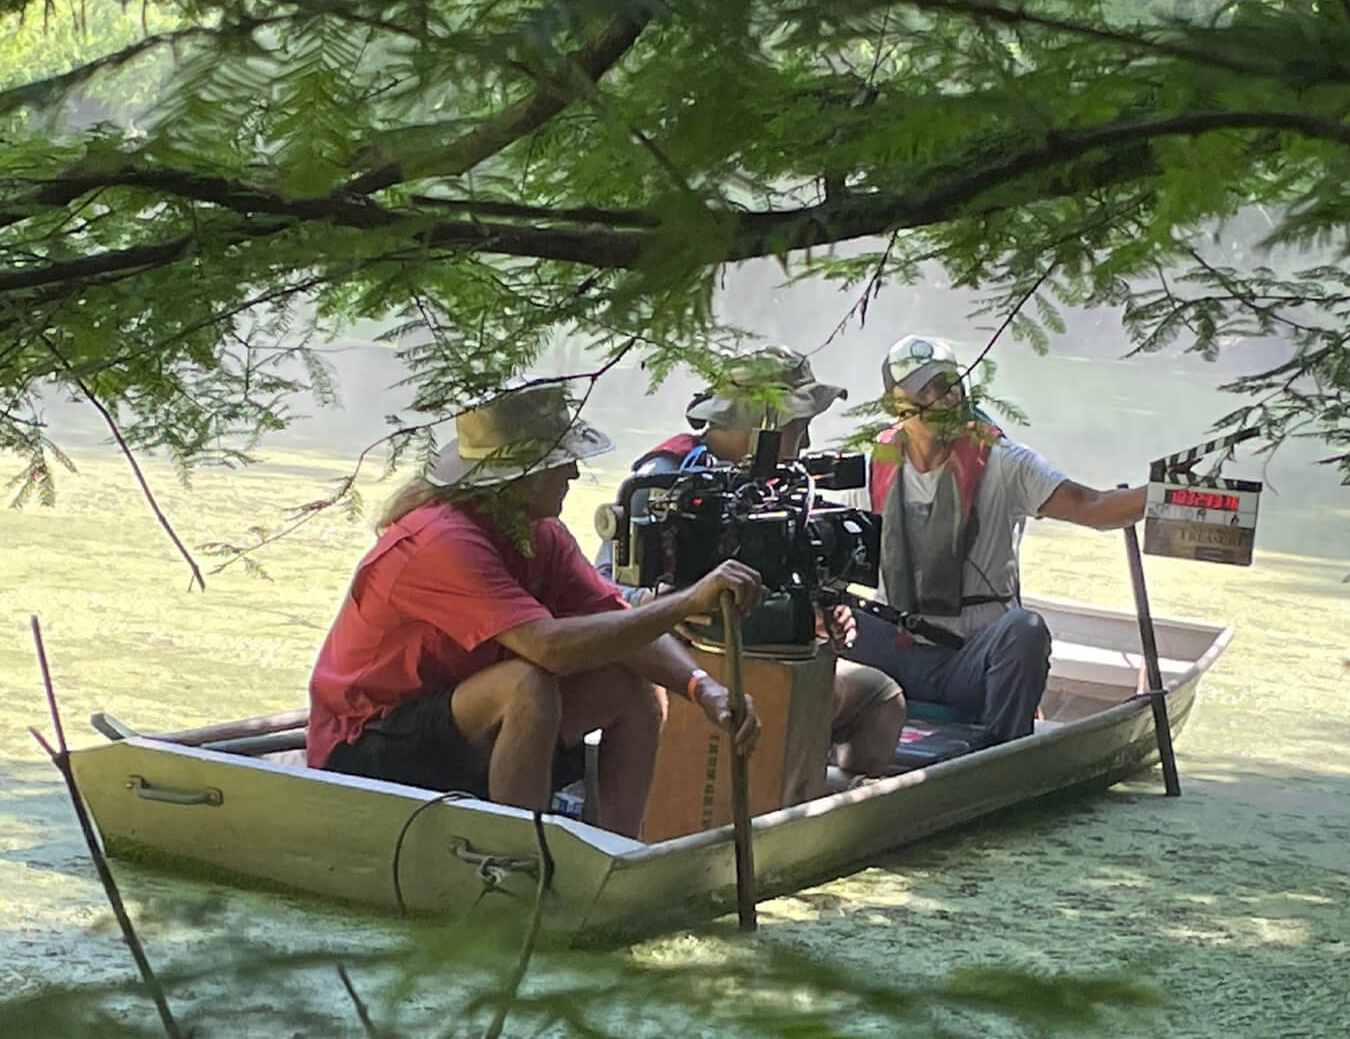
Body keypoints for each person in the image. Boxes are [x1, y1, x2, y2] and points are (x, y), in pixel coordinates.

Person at [306, 386, 764, 838]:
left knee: (629, 682)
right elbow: (548, 649)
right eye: (562, 461)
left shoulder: (541, 534)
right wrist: (685, 601)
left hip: (459, 725)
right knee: (526, 685)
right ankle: (520, 856)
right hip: (367, 745)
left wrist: (703, 689)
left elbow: (617, 619)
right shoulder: (442, 540)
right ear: (523, 474)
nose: (574, 474)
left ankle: (620, 849)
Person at [595, 346, 906, 778]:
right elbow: (604, 592)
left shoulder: (780, 483)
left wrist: (821, 607)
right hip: (685, 659)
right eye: (801, 427)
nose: (809, 443)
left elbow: (782, 566)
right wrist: (665, 603)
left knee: (881, 698)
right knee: (796, 700)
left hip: (763, 650)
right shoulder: (663, 478)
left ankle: (823, 801)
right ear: (767, 424)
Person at [841, 334, 1148, 744]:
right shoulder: (868, 469)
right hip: (895, 654)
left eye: (949, 385)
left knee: (1025, 630)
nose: (943, 399)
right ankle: (823, 738)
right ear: (897, 406)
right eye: (926, 390)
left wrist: (1173, 495)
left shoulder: (1005, 463)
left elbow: (1092, 506)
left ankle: (1002, 754)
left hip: (969, 663)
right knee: (820, 612)